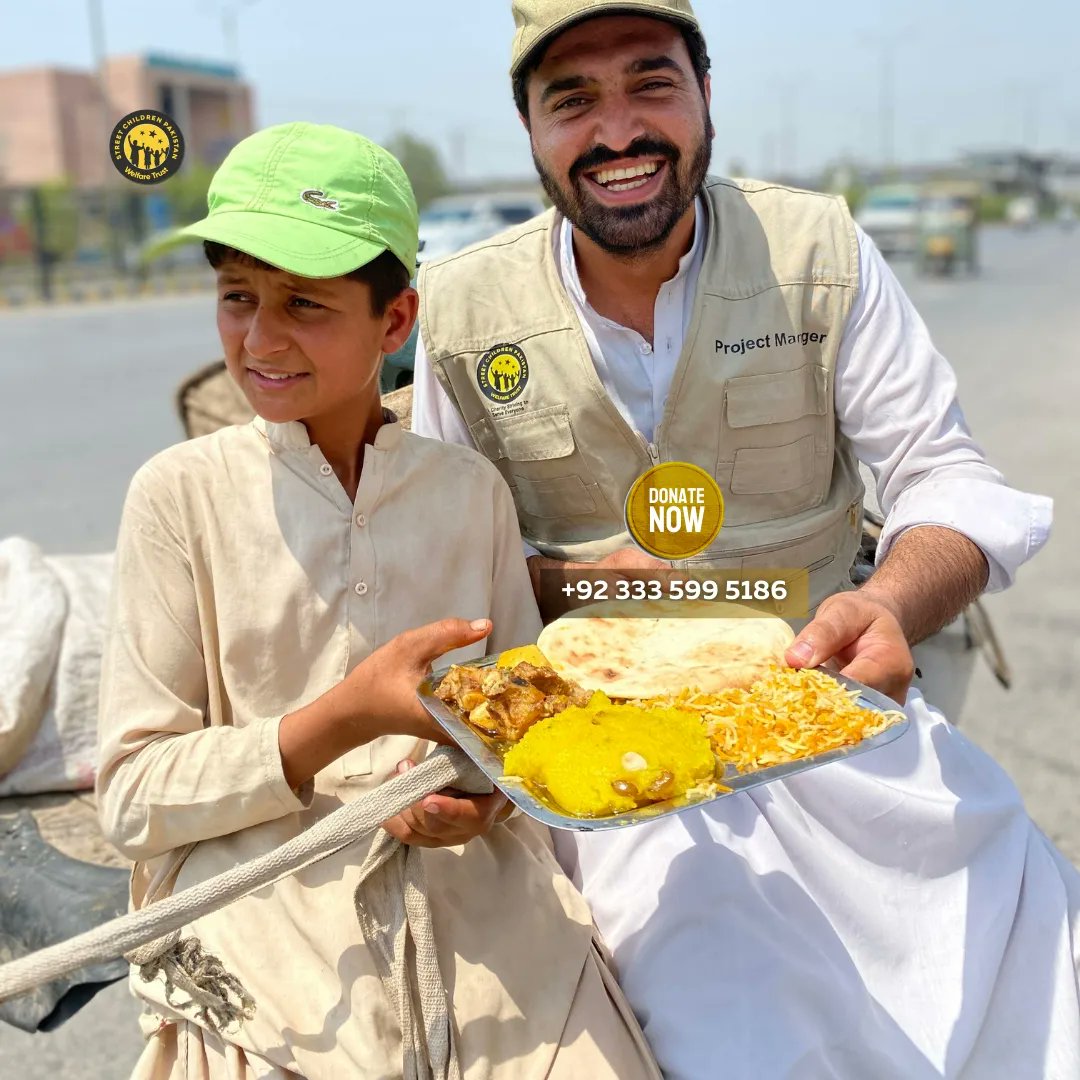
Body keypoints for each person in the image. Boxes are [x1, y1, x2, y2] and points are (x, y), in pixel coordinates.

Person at [410, 2, 1080, 1077]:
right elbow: (430, 558)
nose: (618, 130)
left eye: (651, 83)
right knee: (716, 992)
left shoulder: (819, 251)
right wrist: (566, 585)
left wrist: (890, 602)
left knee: (1017, 913)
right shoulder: (459, 308)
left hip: (812, 707)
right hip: (597, 753)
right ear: (529, 130)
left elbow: (946, 475)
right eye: (572, 100)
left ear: (707, 96)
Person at [95, 122, 660, 1080]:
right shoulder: (177, 496)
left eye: (304, 305)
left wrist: (476, 800)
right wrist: (344, 717)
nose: (260, 337)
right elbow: (132, 797)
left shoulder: (468, 491)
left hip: (480, 905)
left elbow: (527, 739)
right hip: (262, 912)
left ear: (395, 322)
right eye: (237, 298)